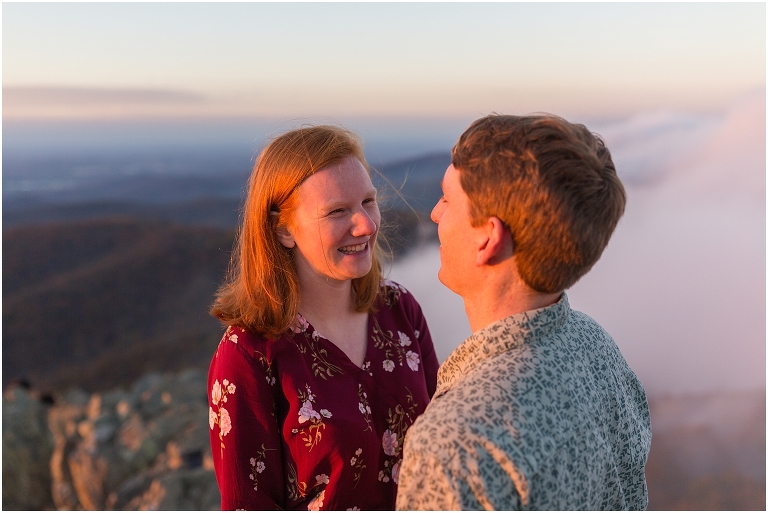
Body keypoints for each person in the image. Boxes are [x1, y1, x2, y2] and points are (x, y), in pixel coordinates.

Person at [396, 114, 652, 510]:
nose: (434, 214)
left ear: (489, 240)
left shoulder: (452, 443)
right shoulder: (596, 347)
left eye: (447, 199)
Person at [208, 125, 439, 510]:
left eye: (368, 201)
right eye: (337, 211)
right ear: (283, 230)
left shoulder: (400, 311)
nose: (366, 224)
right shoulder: (249, 356)